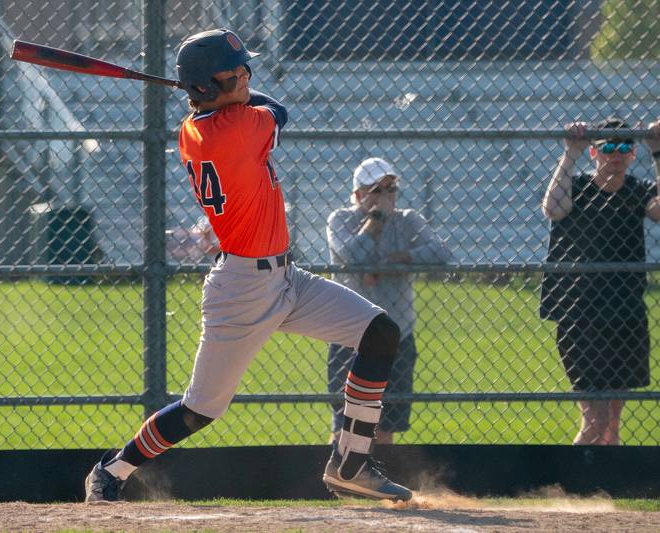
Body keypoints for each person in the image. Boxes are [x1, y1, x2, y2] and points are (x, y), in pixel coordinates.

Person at [84, 28, 413, 503]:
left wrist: (216, 91)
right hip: (241, 289)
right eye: (234, 71)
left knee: (379, 333)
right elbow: (279, 110)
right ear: (205, 85)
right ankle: (110, 470)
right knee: (199, 410)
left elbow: (247, 105)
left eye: (244, 68)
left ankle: (351, 464)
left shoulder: (194, 127)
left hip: (287, 277)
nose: (245, 75)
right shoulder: (238, 127)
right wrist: (228, 95)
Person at [540, 118, 660, 445]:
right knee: (595, 420)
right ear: (595, 152)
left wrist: (657, 152)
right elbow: (553, 209)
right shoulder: (577, 187)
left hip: (625, 310)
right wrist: (571, 152)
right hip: (580, 312)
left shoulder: (636, 190)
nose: (616, 153)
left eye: (624, 147)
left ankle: (608, 475)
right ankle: (572, 474)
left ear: (632, 154)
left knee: (612, 426)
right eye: (608, 146)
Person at [327, 157, 452, 445]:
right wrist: (377, 219)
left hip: (396, 333)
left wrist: (402, 258)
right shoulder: (340, 219)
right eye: (377, 190)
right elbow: (353, 255)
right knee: (345, 422)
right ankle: (338, 470)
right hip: (349, 334)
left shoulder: (408, 219)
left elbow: (441, 252)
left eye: (391, 189)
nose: (386, 197)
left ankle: (383, 469)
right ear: (358, 194)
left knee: (386, 424)